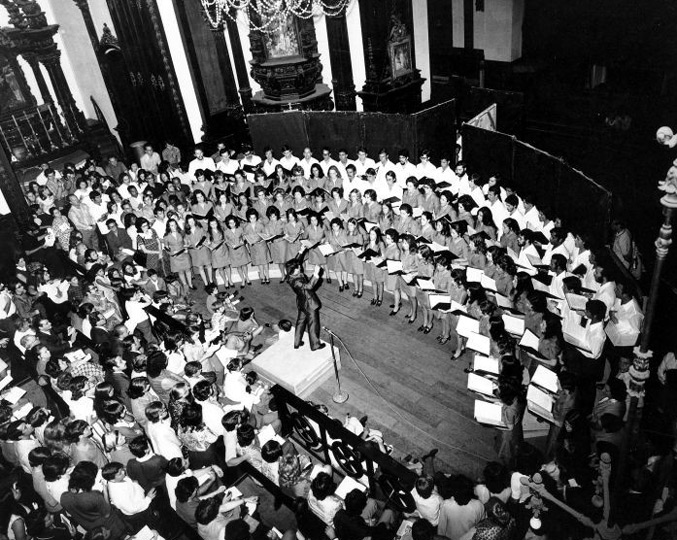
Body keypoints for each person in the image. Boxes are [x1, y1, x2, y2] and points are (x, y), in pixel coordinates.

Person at [286, 247, 326, 351]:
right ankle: (315, 345)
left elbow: (296, 261)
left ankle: (297, 342)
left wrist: (300, 251)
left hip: (301, 302)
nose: (300, 267)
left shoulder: (291, 275)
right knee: (313, 324)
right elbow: (309, 286)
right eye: (298, 267)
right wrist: (316, 274)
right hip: (309, 303)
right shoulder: (296, 281)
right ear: (294, 270)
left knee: (300, 322)